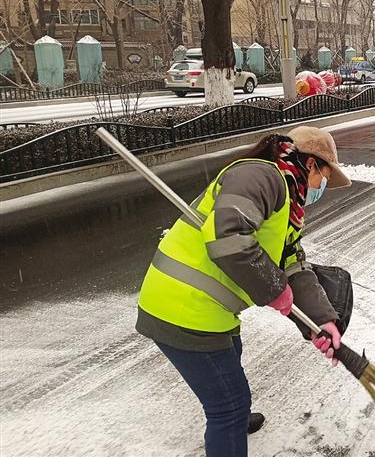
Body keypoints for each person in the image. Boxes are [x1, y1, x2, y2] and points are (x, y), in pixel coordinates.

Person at [135, 126, 351, 457]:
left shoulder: (287, 198)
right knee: (228, 407)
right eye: (325, 177)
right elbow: (229, 238)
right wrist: (273, 287)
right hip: (182, 307)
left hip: (207, 308)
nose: (322, 187)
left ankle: (235, 412)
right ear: (311, 164)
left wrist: (322, 321)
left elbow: (292, 262)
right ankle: (232, 415)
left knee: (231, 351)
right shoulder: (262, 176)